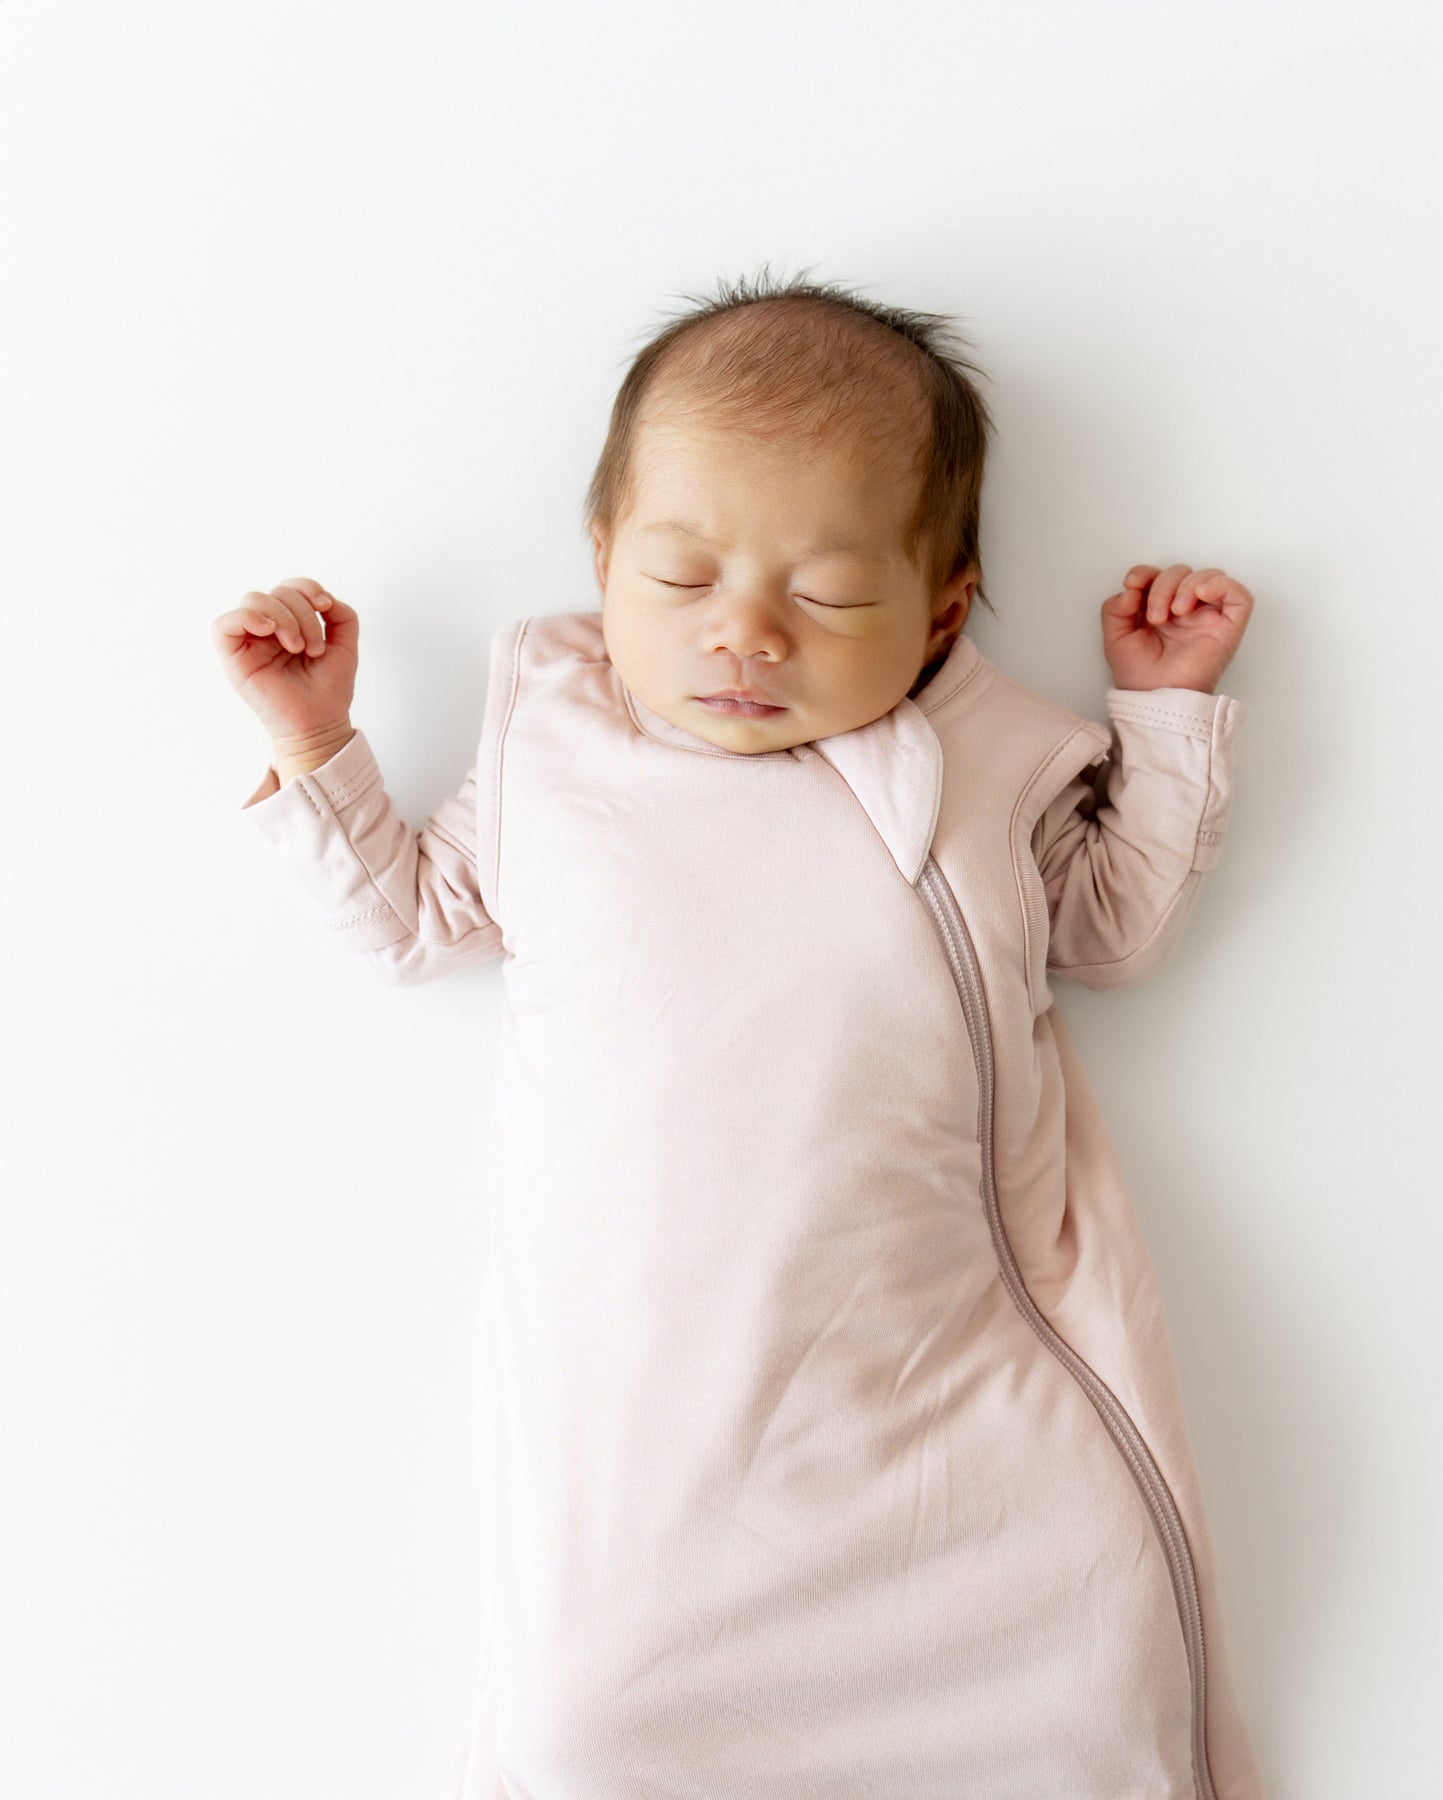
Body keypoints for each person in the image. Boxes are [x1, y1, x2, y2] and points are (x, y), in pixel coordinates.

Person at [213, 269, 1267, 1800]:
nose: (747, 638)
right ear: (602, 563)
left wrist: (1165, 718)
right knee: (582, 1723)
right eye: (683, 578)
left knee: (1094, 1662)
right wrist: (317, 744)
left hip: (947, 1388)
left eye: (829, 595)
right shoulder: (558, 738)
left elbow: (1109, 929)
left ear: (941, 610)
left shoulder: (979, 751)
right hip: (657, 1421)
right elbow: (412, 920)